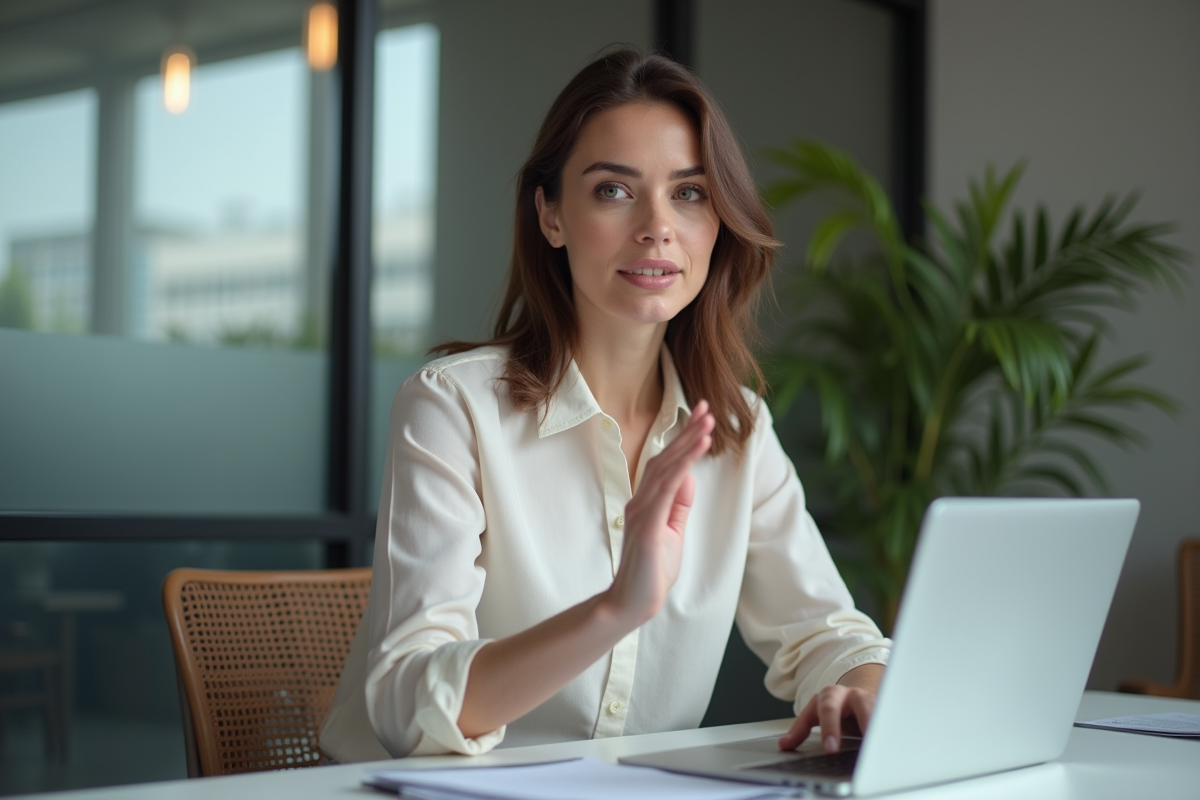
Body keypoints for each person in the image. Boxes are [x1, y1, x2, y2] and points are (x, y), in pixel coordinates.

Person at [319, 48, 889, 763]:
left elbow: (827, 633)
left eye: (690, 193)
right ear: (551, 216)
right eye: (614, 191)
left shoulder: (735, 426)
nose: (658, 227)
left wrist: (860, 686)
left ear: (720, 223)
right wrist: (618, 606)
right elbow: (408, 706)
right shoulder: (453, 406)